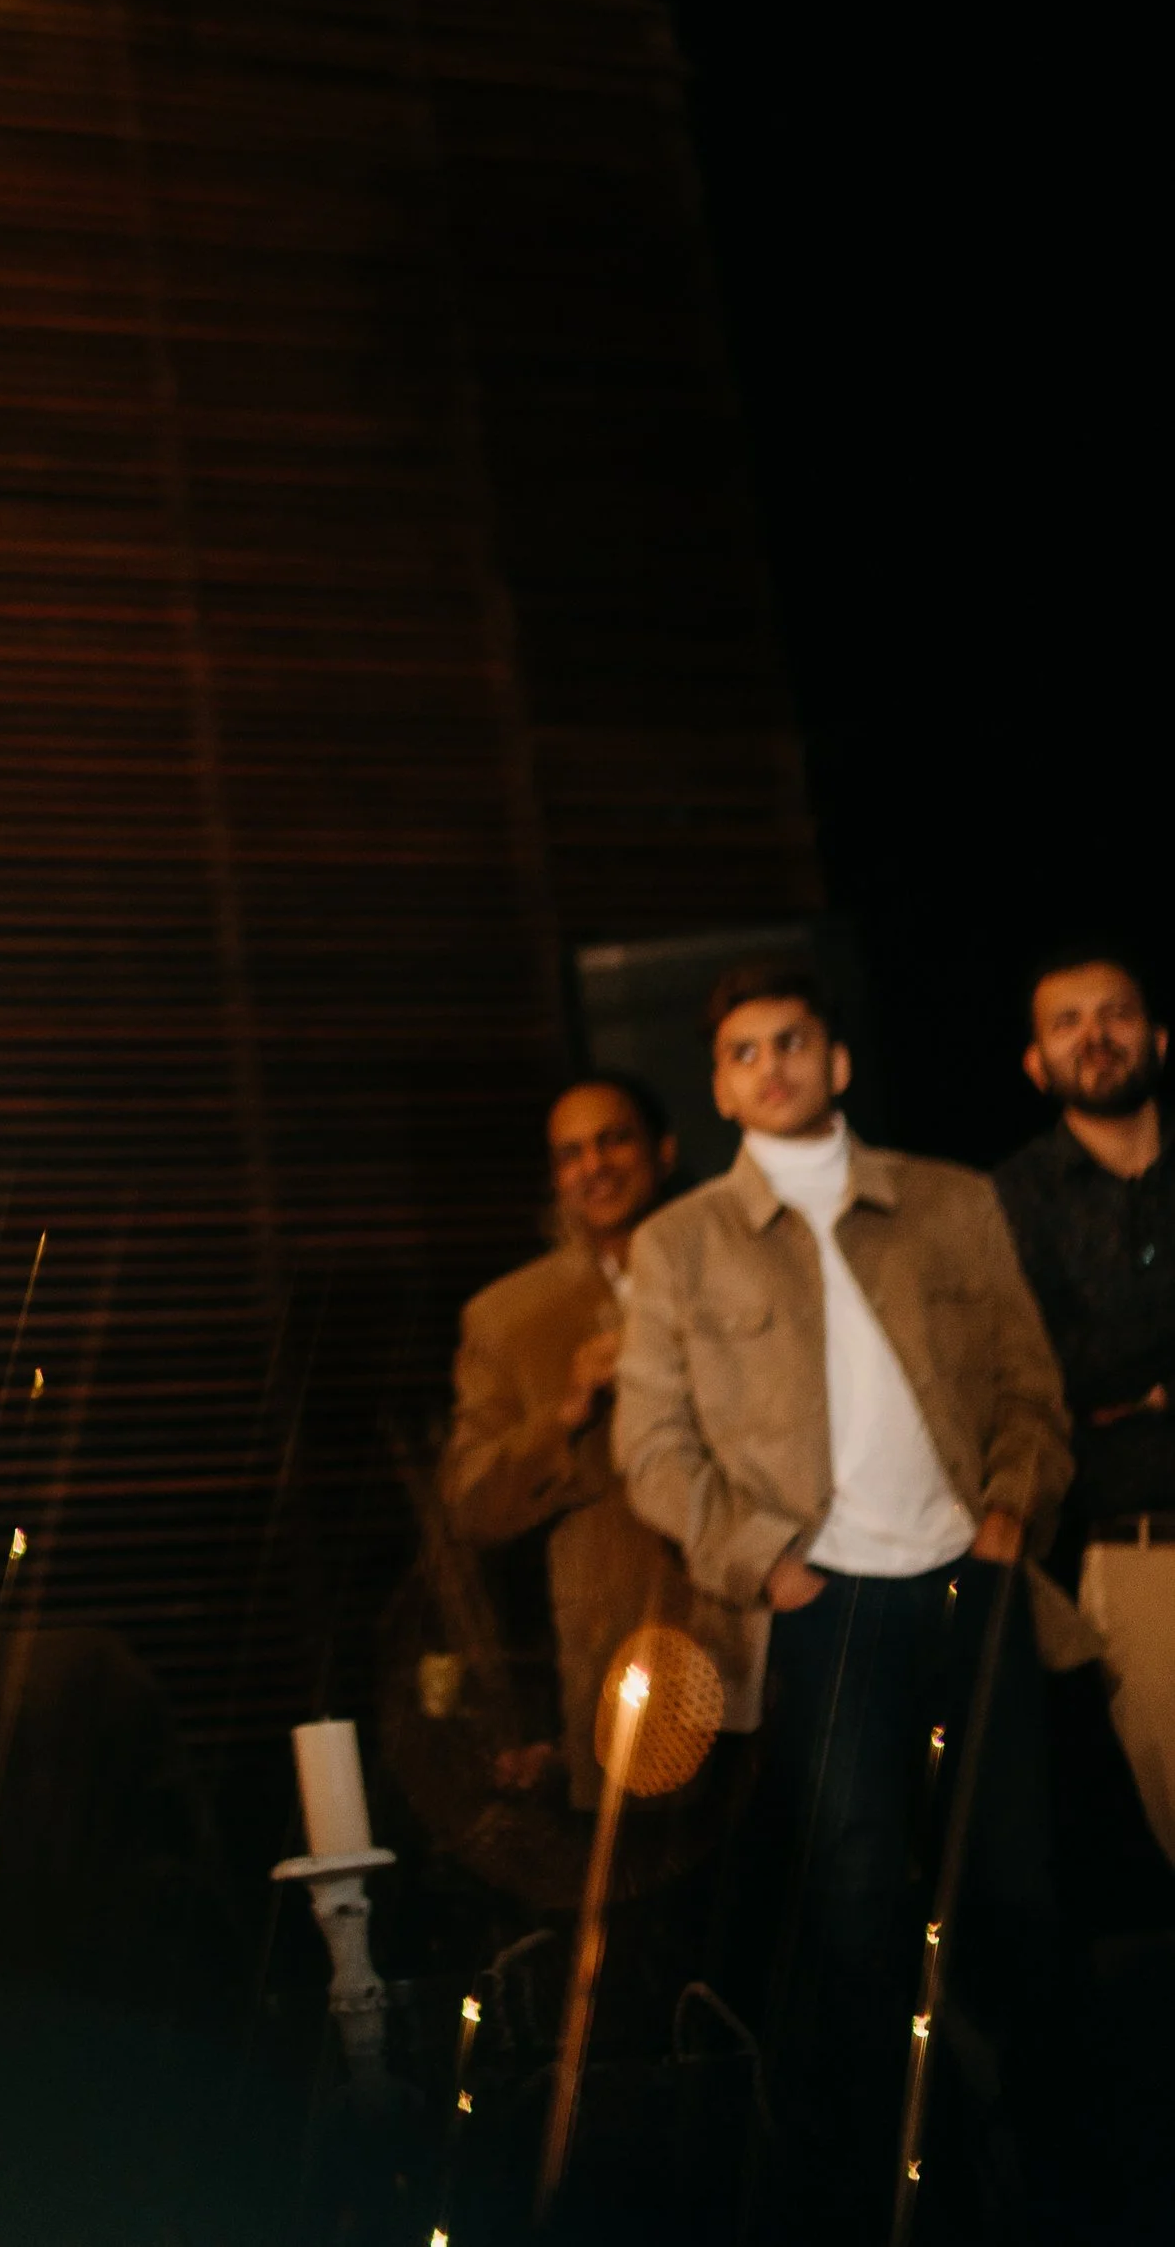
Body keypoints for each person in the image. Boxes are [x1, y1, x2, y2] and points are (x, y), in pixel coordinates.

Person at [615, 956, 1072, 2230]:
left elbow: (1033, 1387)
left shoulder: (948, 1199)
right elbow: (651, 1446)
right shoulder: (680, 1242)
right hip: (820, 1611)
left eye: (794, 1042)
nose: (772, 1066)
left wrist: (1006, 1508)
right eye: (745, 1052)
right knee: (857, 1900)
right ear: (717, 1085)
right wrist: (762, 1561)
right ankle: (883, 2187)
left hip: (965, 1581)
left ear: (839, 1060)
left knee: (1018, 1889)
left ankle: (1046, 2166)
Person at [440, 1076, 753, 1801]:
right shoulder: (508, 1318)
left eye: (613, 1139)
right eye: (571, 1153)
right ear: (556, 1178)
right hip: (623, 1666)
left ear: (663, 1150)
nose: (596, 1165)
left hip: (760, 1626)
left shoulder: (740, 1269)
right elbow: (470, 1506)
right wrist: (566, 1410)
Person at [995, 949, 1175, 1864]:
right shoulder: (1009, 1199)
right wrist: (1124, 1383)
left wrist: (1137, 1388)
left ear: (1159, 1038)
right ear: (1037, 1064)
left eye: (1117, 1013)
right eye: (1068, 1022)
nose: (1096, 1036)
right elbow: (1053, 1370)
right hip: (1140, 1543)